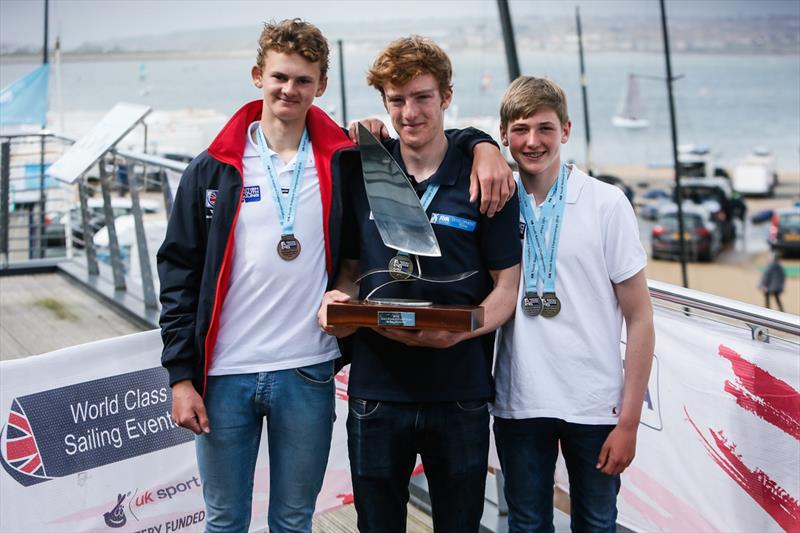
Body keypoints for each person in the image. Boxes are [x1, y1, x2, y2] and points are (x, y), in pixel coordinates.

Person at [158, 20, 513, 533]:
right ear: (258, 76)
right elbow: (180, 274)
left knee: (295, 520)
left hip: (312, 370)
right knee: (224, 520)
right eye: (279, 77)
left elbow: (499, 279)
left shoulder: (342, 159)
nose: (289, 89)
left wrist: (485, 145)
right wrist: (181, 375)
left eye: (303, 81)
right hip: (231, 375)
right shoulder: (224, 167)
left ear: (321, 86)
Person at [319, 36, 521, 533]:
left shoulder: (486, 178)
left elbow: (507, 290)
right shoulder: (363, 168)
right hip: (376, 392)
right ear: (385, 104)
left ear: (446, 96)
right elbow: (347, 266)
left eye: (422, 97)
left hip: (460, 392)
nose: (410, 112)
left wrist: (465, 330)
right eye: (396, 100)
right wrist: (339, 301)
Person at [491, 76, 655, 533]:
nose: (532, 141)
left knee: (597, 524)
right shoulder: (496, 201)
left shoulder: (606, 203)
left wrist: (630, 422)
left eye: (544, 128)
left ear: (565, 130)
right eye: (520, 129)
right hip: (519, 400)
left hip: (595, 404)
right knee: (526, 524)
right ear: (504, 134)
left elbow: (640, 318)